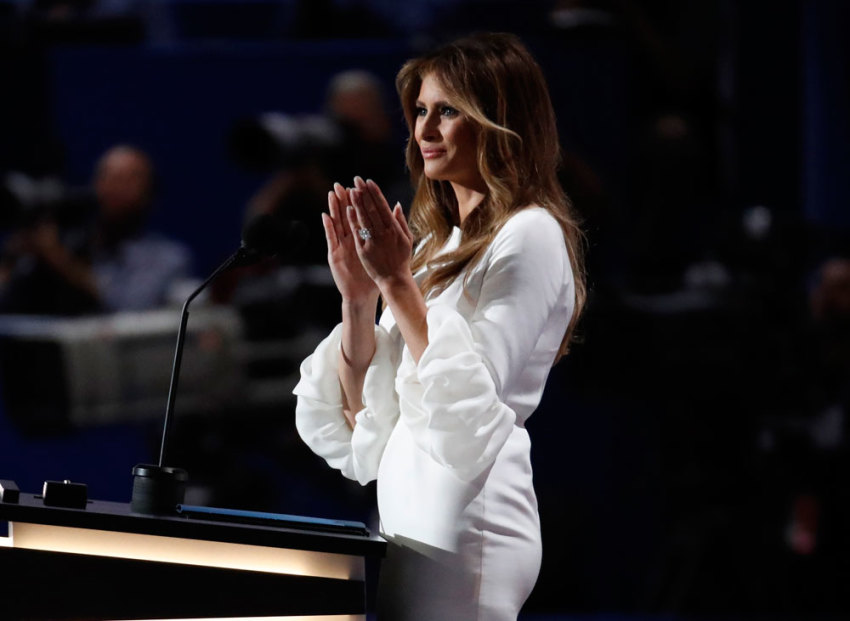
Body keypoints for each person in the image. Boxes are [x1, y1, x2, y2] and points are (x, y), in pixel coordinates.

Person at [293, 32, 586, 620]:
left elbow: (474, 403)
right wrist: (358, 298)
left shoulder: (530, 234)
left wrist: (397, 285)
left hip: (467, 519)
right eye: (421, 111)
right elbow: (363, 421)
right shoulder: (434, 246)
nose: (424, 130)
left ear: (499, 121)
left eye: (447, 112)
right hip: (408, 520)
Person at [0, 144, 192, 314]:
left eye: (128, 180)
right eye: (108, 177)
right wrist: (12, 258)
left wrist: (59, 259)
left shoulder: (167, 258)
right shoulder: (74, 242)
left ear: (149, 194)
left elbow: (131, 309)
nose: (114, 188)